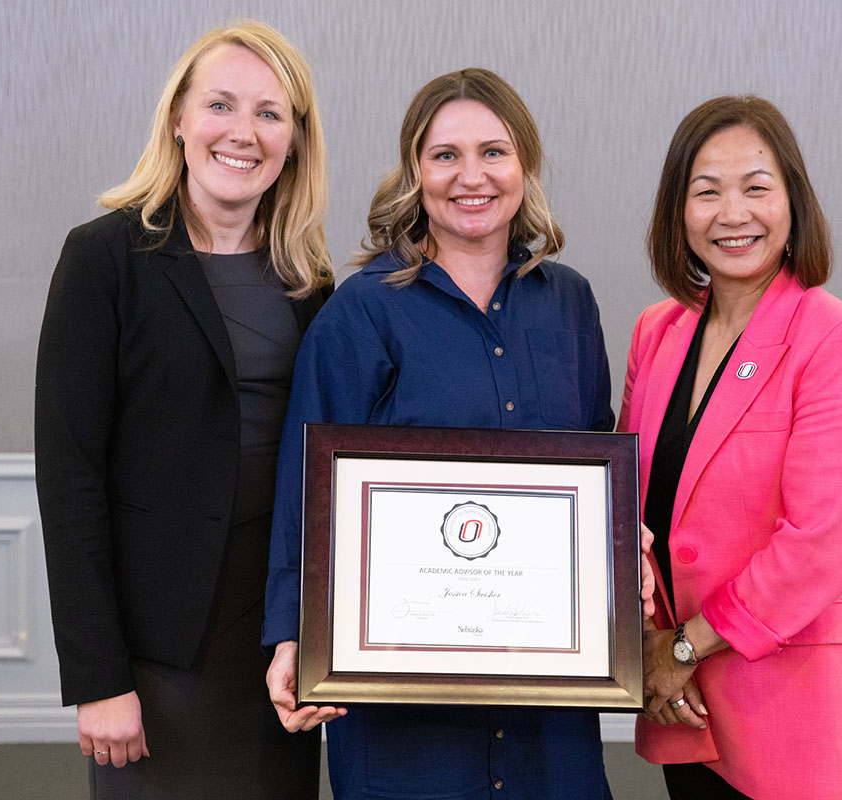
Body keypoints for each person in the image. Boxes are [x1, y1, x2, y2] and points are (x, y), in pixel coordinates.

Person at [262, 68, 616, 799]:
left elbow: (598, 459)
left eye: (494, 151)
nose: (471, 176)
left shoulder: (570, 304)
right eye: (445, 155)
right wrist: (294, 635)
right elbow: (308, 487)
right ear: (414, 171)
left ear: (525, 166)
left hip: (544, 694)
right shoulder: (361, 312)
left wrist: (625, 537)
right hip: (400, 694)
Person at [35, 21, 332, 799]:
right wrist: (98, 678)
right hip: (155, 652)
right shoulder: (103, 260)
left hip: (277, 641)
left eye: (270, 113)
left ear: (295, 140)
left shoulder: (312, 282)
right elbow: (69, 480)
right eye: (221, 105)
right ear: (178, 119)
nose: (244, 132)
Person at [621, 95, 842, 799]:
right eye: (706, 191)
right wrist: (653, 650)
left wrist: (679, 648)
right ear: (677, 213)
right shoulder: (658, 331)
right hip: (683, 705)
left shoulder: (840, 340)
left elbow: (816, 545)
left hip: (788, 707)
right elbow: (627, 505)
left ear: (793, 204)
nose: (732, 213)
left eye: (756, 188)